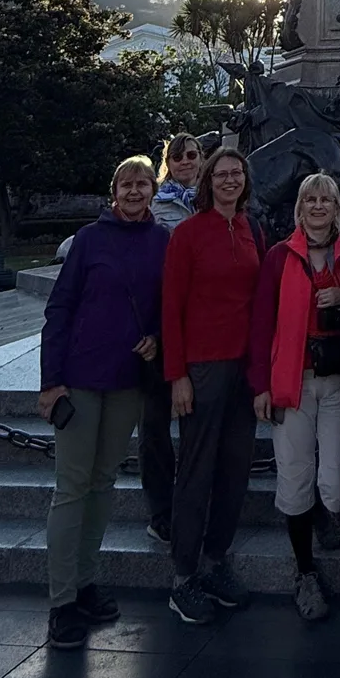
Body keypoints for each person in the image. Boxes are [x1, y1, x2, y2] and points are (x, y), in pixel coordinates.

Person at [39, 156, 168, 650]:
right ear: (114, 192)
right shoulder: (89, 240)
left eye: (142, 183)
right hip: (79, 378)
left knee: (104, 482)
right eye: (126, 184)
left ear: (152, 191)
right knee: (72, 488)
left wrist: (156, 336)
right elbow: (60, 308)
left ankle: (86, 582)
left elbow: (164, 306)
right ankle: (61, 601)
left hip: (128, 381)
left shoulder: (162, 242)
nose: (135, 191)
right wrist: (51, 382)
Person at [162, 146, 262, 625]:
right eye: (220, 174)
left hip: (243, 369)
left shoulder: (250, 230)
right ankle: (183, 577)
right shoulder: (187, 234)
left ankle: (214, 561)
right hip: (202, 368)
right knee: (196, 472)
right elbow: (171, 307)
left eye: (235, 173)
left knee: (235, 469)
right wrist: (177, 374)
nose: (228, 180)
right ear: (207, 182)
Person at [249, 173, 340, 623]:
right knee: (294, 473)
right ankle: (304, 570)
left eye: (325, 198)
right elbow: (261, 323)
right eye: (310, 198)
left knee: (334, 473)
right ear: (299, 207)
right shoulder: (278, 256)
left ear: (336, 206)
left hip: (338, 381)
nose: (317, 205)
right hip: (292, 380)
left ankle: (327, 515)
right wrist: (261, 385)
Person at [139, 134, 203, 546]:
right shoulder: (154, 208)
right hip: (161, 325)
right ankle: (161, 509)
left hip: (202, 328)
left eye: (192, 155)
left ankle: (196, 500)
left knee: (198, 423)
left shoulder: (216, 202)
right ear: (168, 162)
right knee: (156, 426)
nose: (184, 161)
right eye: (176, 156)